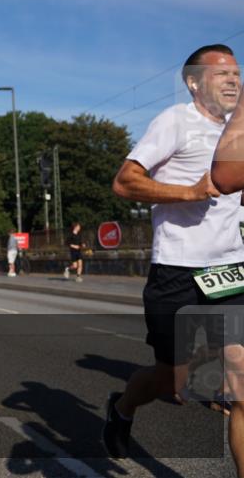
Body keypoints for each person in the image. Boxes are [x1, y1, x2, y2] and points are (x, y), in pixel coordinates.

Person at [104, 44, 244, 476]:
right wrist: (188, 192)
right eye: (221, 73)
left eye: (237, 73)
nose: (233, 80)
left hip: (230, 272)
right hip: (179, 273)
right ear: (193, 83)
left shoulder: (236, 134)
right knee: (175, 383)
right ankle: (123, 407)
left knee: (241, 387)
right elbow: (125, 183)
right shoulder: (174, 122)